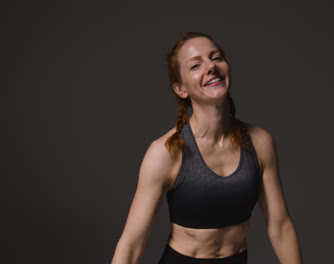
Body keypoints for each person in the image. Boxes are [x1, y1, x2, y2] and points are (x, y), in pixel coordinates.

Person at [111, 32, 303, 264]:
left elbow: (281, 228)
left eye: (216, 57)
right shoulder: (165, 152)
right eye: (195, 65)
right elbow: (132, 243)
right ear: (181, 89)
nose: (211, 66)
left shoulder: (260, 142)